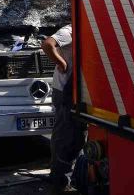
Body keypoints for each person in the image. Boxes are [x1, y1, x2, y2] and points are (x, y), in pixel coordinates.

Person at [41, 24, 86, 194]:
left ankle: (64, 177)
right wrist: (62, 63)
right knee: (66, 137)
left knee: (73, 136)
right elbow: (47, 44)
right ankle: (60, 182)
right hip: (65, 92)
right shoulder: (70, 31)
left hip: (74, 92)